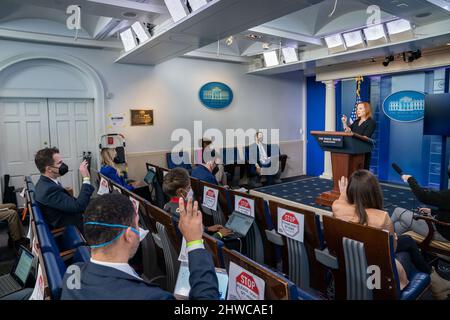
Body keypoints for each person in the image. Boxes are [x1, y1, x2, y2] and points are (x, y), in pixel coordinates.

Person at [61, 194, 219, 300]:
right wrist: (195, 243)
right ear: (129, 235)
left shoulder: (72, 272)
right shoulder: (149, 296)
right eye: (138, 224)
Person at [332, 170, 431, 290]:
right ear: (375, 193)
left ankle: (429, 272)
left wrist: (344, 194)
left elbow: (342, 201)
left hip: (350, 264)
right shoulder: (382, 218)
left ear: (350, 192)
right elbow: (392, 249)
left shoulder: (337, 208)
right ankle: (430, 275)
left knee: (406, 240)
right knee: (404, 253)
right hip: (376, 273)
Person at [163, 168, 232, 239]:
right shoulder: (187, 213)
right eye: (189, 187)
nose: (191, 190)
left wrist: (207, 229)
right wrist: (219, 234)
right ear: (180, 191)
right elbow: (201, 242)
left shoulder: (167, 206)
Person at [34, 147, 94, 230]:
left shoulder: (44, 183)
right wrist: (86, 179)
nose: (63, 165)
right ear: (49, 169)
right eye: (59, 163)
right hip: (72, 228)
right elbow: (79, 207)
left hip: (69, 217)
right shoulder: (49, 190)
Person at [391, 168, 450, 242]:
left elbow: (422, 196)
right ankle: (391, 247)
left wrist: (410, 179)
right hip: (444, 228)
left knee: (398, 211)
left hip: (442, 233)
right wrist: (432, 211)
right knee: (399, 225)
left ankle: (381, 238)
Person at [341, 102, 376, 170]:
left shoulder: (371, 122)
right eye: (357, 109)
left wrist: (352, 133)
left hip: (363, 151)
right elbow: (347, 131)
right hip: (353, 150)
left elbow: (365, 137)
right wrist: (344, 122)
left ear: (366, 109)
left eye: (360, 108)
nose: (357, 111)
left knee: (362, 172)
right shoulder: (356, 121)